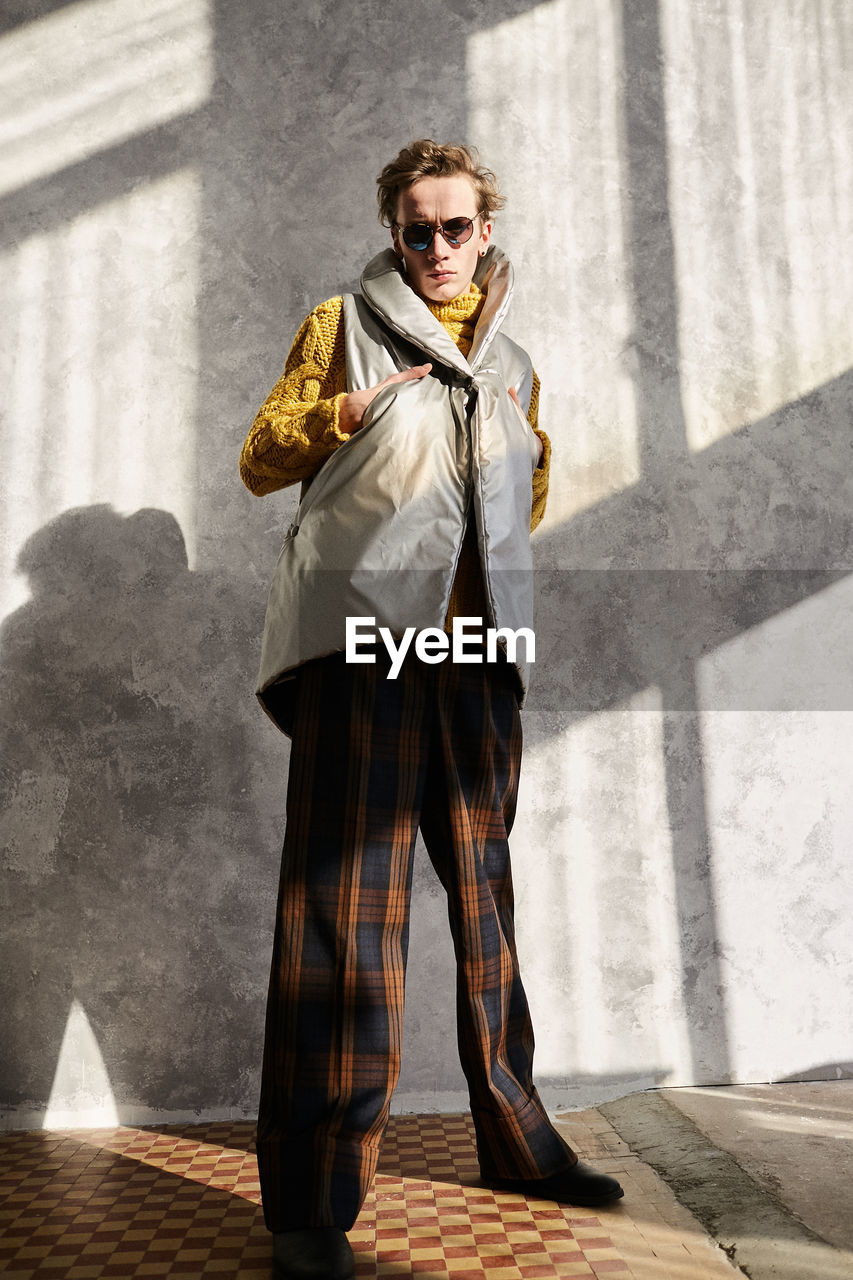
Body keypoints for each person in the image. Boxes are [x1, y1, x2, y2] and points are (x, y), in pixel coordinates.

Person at [240, 140, 623, 1280]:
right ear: (392, 229)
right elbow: (261, 457)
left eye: (457, 228)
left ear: (487, 229)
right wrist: (342, 414)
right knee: (340, 915)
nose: (439, 248)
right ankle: (310, 1199)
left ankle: (518, 1140)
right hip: (368, 647)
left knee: (484, 904)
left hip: (477, 652)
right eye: (417, 229)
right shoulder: (336, 324)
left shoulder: (517, 363)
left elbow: (525, 493)